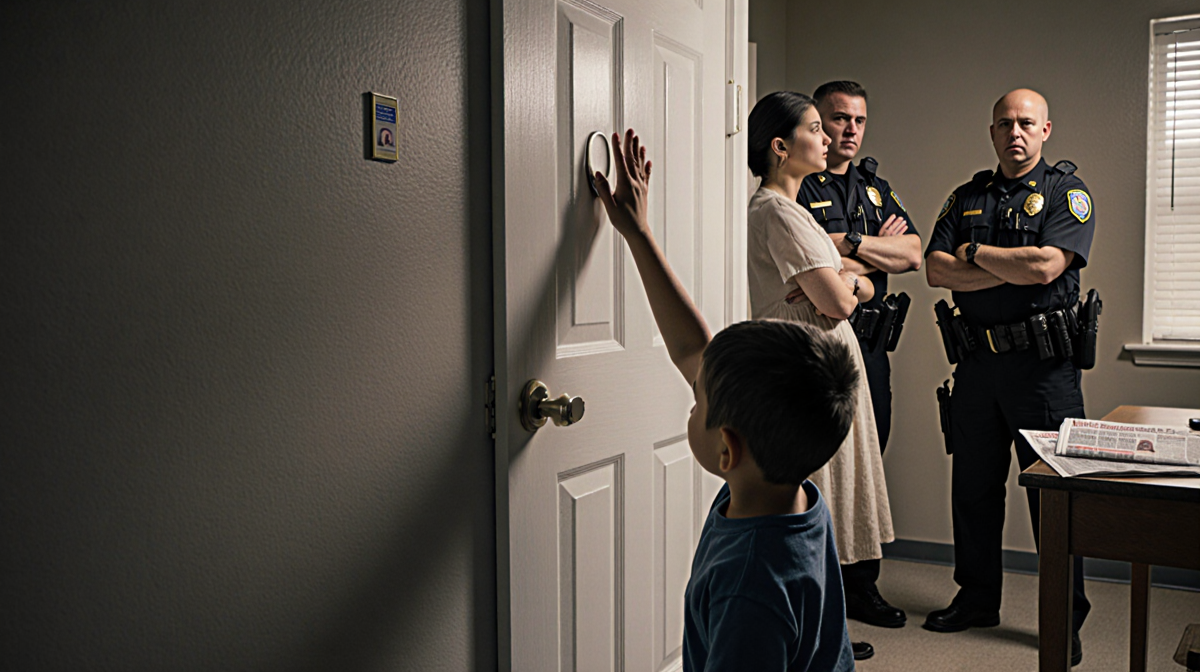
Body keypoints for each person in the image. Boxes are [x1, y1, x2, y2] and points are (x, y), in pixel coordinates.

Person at [593, 129, 855, 671]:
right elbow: (695, 348)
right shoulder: (792, 499)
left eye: (698, 405)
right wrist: (638, 233)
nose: (692, 402)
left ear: (727, 450)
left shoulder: (750, 587)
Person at [924, 88, 1096, 666]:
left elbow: (1049, 265)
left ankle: (1063, 621)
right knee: (972, 489)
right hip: (975, 368)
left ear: (1047, 129)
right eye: (1004, 124)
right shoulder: (966, 196)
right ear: (991, 131)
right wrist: (1009, 269)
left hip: (1044, 372)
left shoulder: (1066, 193)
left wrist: (973, 255)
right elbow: (933, 270)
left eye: (1026, 123)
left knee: (1055, 502)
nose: (1014, 133)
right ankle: (976, 599)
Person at [746, 91, 895, 661]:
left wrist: (841, 272)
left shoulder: (788, 212)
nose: (830, 138)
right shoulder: (780, 212)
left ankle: (824, 628)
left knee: (824, 500)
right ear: (781, 148)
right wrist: (854, 281)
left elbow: (836, 282)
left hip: (818, 365)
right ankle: (819, 636)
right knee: (816, 501)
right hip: (807, 369)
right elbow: (837, 300)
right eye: (817, 128)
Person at [797, 80, 921, 630]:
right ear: (817, 122)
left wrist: (846, 246)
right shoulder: (799, 186)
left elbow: (914, 254)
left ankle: (862, 587)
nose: (849, 130)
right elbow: (813, 269)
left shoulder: (875, 188)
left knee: (869, 462)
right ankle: (820, 592)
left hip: (872, 347)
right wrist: (872, 255)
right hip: (823, 345)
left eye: (859, 120)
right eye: (838, 119)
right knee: (823, 466)